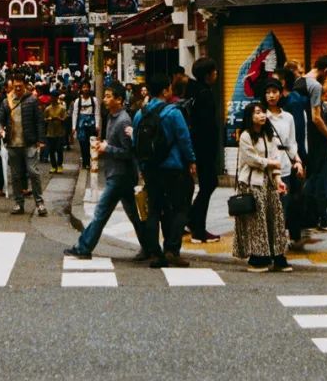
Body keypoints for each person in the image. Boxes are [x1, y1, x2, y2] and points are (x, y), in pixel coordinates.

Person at [65, 82, 157, 260]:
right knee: (133, 215)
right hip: (118, 174)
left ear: (119, 99)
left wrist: (107, 148)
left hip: (120, 176)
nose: (105, 99)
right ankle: (150, 248)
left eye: (108, 96)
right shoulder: (113, 117)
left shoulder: (123, 120)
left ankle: (84, 247)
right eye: (105, 96)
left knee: (101, 212)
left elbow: (128, 152)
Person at [133, 74, 197, 268]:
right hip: (173, 167)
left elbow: (135, 143)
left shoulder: (139, 114)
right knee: (179, 207)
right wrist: (191, 160)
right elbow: (184, 139)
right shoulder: (173, 112)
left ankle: (155, 252)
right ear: (165, 91)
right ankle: (172, 249)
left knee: (154, 209)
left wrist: (141, 168)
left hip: (151, 168)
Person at [233, 102, 291, 272]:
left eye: (263, 112)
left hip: (269, 183)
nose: (262, 116)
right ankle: (257, 257)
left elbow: (275, 159)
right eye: (257, 113)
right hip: (251, 184)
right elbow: (252, 159)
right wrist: (270, 163)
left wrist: (279, 180)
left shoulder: (269, 135)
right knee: (257, 221)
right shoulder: (245, 136)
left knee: (276, 218)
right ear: (250, 117)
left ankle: (278, 254)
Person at [0, 72, 47, 216]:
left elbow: (39, 121)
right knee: (16, 175)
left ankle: (40, 203)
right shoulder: (6, 102)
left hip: (29, 142)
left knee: (33, 172)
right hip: (12, 143)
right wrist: (0, 130)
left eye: (20, 86)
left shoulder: (32, 100)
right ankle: (18, 203)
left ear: (24, 85)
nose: (17, 89)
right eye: (15, 86)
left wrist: (41, 140)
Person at [263, 79, 305, 250]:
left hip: (285, 166)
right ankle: (271, 242)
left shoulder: (288, 117)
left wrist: (298, 161)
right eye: (268, 92)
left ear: (281, 93)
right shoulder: (261, 116)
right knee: (270, 207)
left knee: (284, 206)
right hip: (267, 167)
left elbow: (292, 142)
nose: (271, 95)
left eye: (274, 91)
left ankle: (280, 241)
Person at [302, 55, 327, 232]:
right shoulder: (315, 85)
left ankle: (311, 216)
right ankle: (323, 219)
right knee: (322, 179)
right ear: (326, 71)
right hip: (317, 140)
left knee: (312, 178)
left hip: (304, 138)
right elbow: (316, 117)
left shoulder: (300, 81)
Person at [186, 57, 221, 244]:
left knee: (208, 185)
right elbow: (206, 126)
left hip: (198, 147)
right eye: (214, 71)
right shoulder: (204, 94)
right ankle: (197, 227)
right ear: (208, 75)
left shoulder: (194, 91)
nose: (216, 74)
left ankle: (192, 220)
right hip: (204, 149)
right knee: (209, 184)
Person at [71, 82, 100, 171]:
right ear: (81, 89)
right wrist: (73, 126)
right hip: (81, 124)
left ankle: (92, 162)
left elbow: (97, 112)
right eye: (84, 87)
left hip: (91, 123)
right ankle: (85, 162)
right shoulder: (78, 101)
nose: (85, 89)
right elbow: (75, 113)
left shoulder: (94, 100)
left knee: (92, 143)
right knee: (83, 144)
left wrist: (97, 124)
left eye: (87, 87)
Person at [44, 94, 68, 173]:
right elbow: (44, 119)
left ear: (57, 98)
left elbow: (65, 119)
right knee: (51, 150)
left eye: (54, 97)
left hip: (60, 132)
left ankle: (60, 165)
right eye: (52, 97)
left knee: (59, 149)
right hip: (50, 132)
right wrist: (48, 119)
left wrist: (59, 119)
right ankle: (53, 166)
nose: (53, 99)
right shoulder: (48, 108)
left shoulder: (62, 108)